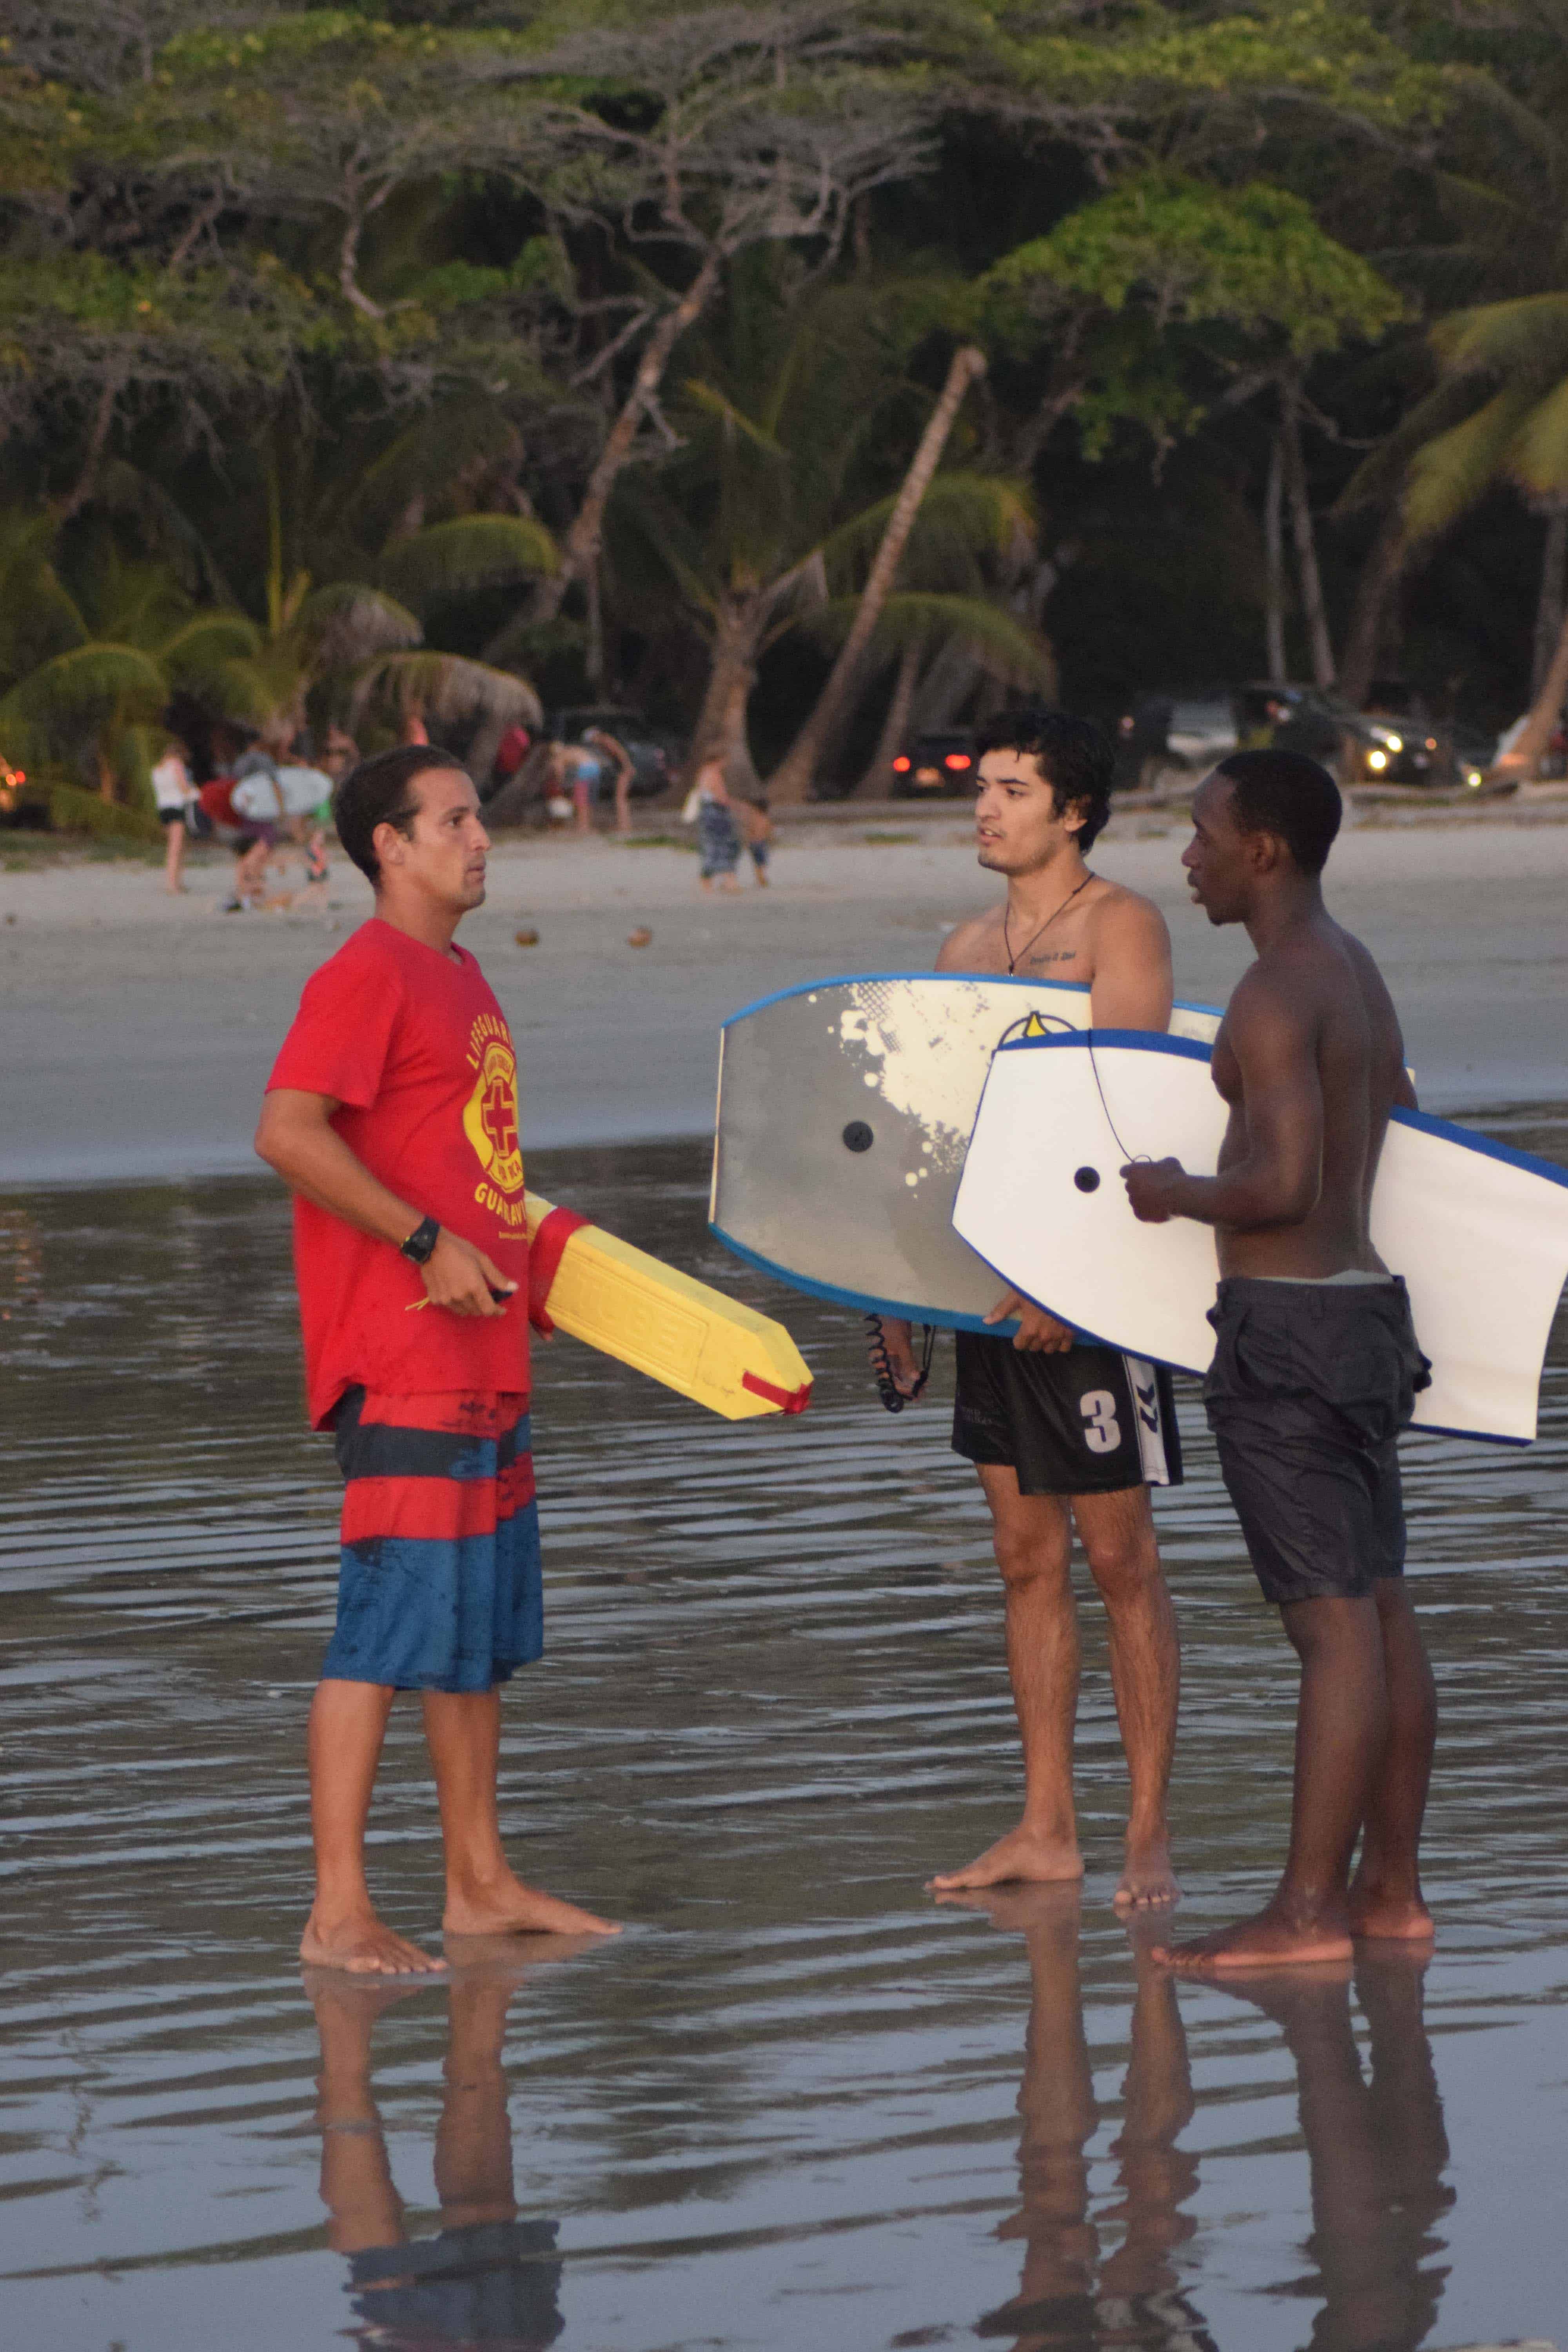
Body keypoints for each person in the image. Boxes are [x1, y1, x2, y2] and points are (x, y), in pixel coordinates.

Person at [255, 743, 619, 1973]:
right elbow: (286, 1130)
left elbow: (473, 1162)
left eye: (479, 817)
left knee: (475, 1636)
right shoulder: (365, 973)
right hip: (401, 1355)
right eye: (453, 819)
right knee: (384, 1632)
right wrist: (420, 1241)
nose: (480, 837)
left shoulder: (459, 975)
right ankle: (337, 1907)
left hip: (487, 1351)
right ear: (388, 846)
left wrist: (541, 1258)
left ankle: (477, 1880)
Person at [1122, 749, 1435, 1972]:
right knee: (1383, 1608)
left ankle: (1304, 1914)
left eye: (1201, 833)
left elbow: (1283, 1183)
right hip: (1363, 1314)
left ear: (1263, 851)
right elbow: (1394, 1102)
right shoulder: (1351, 970)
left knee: (1331, 1630)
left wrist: (1170, 1191)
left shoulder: (1270, 989)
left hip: (1288, 1327)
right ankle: (1390, 1894)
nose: (1186, 856)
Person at [879, 706, 1184, 1910]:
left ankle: (1146, 1825)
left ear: (1073, 811)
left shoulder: (1123, 925)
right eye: (981, 786)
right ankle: (1046, 1823)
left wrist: (1070, 1277)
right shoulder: (963, 945)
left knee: (1118, 1556)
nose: (985, 806)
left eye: (1010, 789)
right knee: (1020, 1556)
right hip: (986, 1297)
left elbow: (1129, 1114)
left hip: (1090, 1292)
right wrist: (895, 1294)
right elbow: (934, 1136)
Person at [150, 734, 196, 894]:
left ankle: (175, 881)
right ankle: (173, 883)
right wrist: (198, 794)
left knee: (174, 846)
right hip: (177, 806)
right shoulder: (177, 765)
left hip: (163, 808)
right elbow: (184, 787)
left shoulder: (158, 769)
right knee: (177, 848)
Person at [690, 754, 742, 892]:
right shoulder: (713, 774)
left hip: (707, 813)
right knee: (724, 845)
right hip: (716, 813)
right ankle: (729, 880)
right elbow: (719, 796)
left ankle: (708, 880)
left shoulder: (703, 773)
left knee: (711, 846)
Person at [583, 724, 637, 835]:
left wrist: (627, 767)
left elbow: (620, 752)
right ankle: (624, 825)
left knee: (620, 799)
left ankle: (624, 826)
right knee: (620, 798)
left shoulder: (607, 741)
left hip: (624, 769)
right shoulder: (603, 744)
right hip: (621, 769)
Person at [740, 791, 773, 886]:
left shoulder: (753, 819)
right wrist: (771, 841)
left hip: (753, 843)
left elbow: (750, 830)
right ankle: (762, 877)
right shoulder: (765, 819)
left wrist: (747, 841)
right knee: (762, 862)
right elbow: (769, 831)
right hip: (762, 843)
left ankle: (759, 877)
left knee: (757, 862)